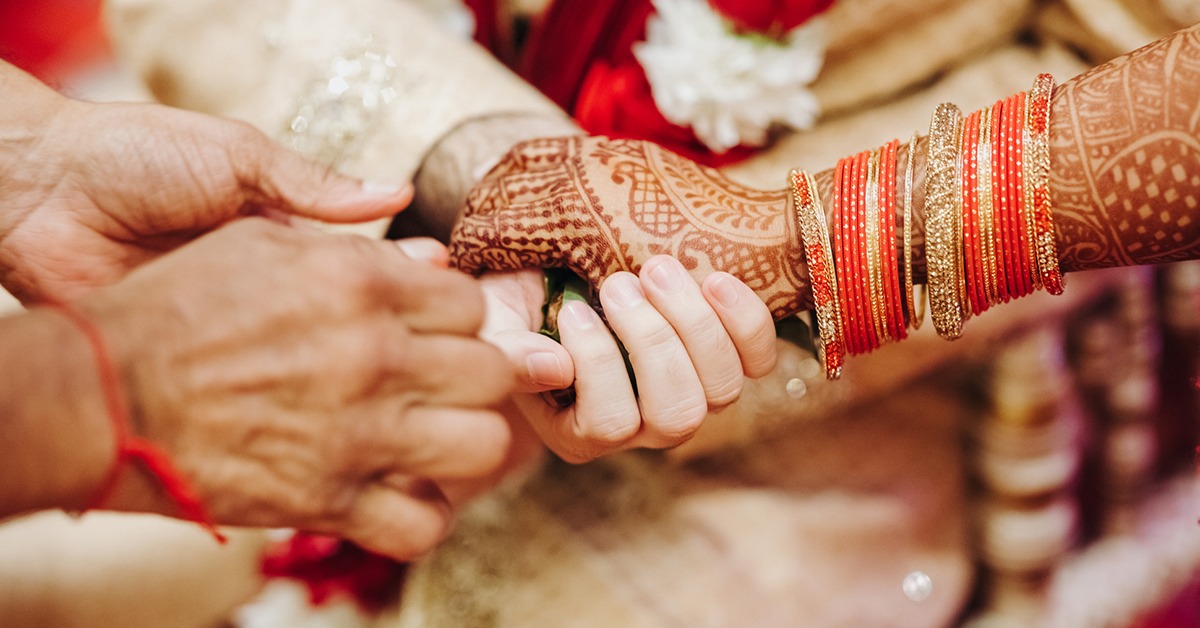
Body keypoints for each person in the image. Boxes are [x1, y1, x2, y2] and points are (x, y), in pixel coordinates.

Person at [70, 0, 1200, 625]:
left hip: (824, 379)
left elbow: (1127, 61)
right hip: (348, 188)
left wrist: (760, 259)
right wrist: (482, 163)